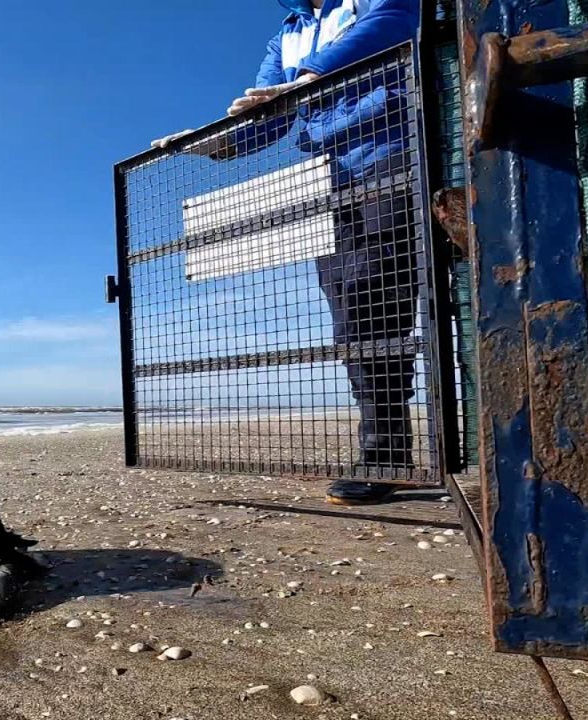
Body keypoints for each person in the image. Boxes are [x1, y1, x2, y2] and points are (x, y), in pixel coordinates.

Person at [153, 0, 421, 505]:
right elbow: (267, 112)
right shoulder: (288, 33)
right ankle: (388, 452)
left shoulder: (363, 4)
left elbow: (395, 19)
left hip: (395, 153)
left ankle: (391, 452)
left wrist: (307, 79)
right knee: (349, 311)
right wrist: (214, 144)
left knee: (378, 297)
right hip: (331, 175)